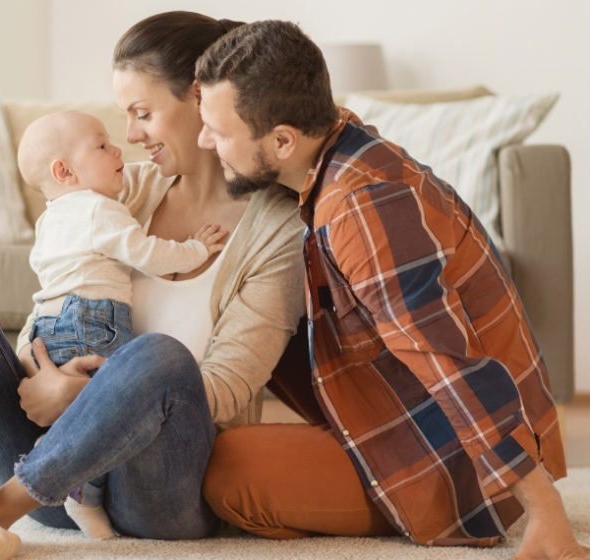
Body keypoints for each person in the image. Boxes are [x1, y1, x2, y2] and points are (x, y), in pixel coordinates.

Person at [0, 11, 307, 560]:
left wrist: (81, 395)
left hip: (158, 494)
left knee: (159, 354)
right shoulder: (125, 189)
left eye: (142, 114)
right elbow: (61, 291)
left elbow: (226, 390)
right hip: (61, 479)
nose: (129, 136)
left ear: (201, 99)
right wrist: (42, 370)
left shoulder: (275, 228)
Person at [194, 20, 589, 559]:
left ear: (283, 140)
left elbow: (445, 359)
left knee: (225, 472)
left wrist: (545, 509)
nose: (203, 142)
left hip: (454, 466)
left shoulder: (361, 207)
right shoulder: (338, 150)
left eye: (216, 132)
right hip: (399, 416)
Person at [17, 109, 227, 538]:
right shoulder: (98, 209)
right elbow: (147, 253)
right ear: (64, 170)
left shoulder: (49, 220)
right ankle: (78, 488)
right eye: (102, 145)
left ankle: (56, 453)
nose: (119, 149)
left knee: (87, 409)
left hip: (49, 324)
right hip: (93, 322)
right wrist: (194, 250)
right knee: (112, 410)